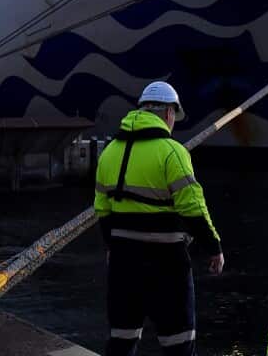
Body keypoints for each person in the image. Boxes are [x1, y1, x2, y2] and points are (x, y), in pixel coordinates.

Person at [94, 81, 224, 356]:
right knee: (179, 343)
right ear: (168, 114)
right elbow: (192, 209)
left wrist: (111, 247)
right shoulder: (172, 152)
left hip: (123, 264)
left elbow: (102, 210)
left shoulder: (109, 154)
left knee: (121, 339)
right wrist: (213, 247)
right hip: (167, 265)